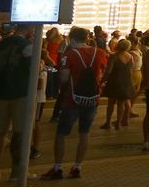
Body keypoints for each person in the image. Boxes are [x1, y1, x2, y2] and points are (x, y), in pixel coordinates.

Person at [43, 27, 107, 179]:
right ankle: (77, 166)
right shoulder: (100, 53)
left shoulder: (69, 54)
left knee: (62, 134)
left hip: (73, 99)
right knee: (84, 133)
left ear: (71, 39)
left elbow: (64, 78)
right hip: (92, 99)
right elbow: (102, 73)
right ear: (86, 38)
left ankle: (58, 167)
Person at [0, 26, 34, 182]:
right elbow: (32, 69)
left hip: (1, 92)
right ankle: (16, 172)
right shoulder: (27, 46)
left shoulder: (1, 44)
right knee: (19, 133)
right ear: (29, 29)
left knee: (0, 132)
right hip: (20, 92)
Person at [101, 40, 137, 130]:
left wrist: (103, 80)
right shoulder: (130, 57)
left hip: (114, 81)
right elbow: (131, 69)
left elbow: (108, 71)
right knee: (121, 104)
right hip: (126, 82)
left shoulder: (114, 56)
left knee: (111, 103)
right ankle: (118, 124)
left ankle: (108, 123)